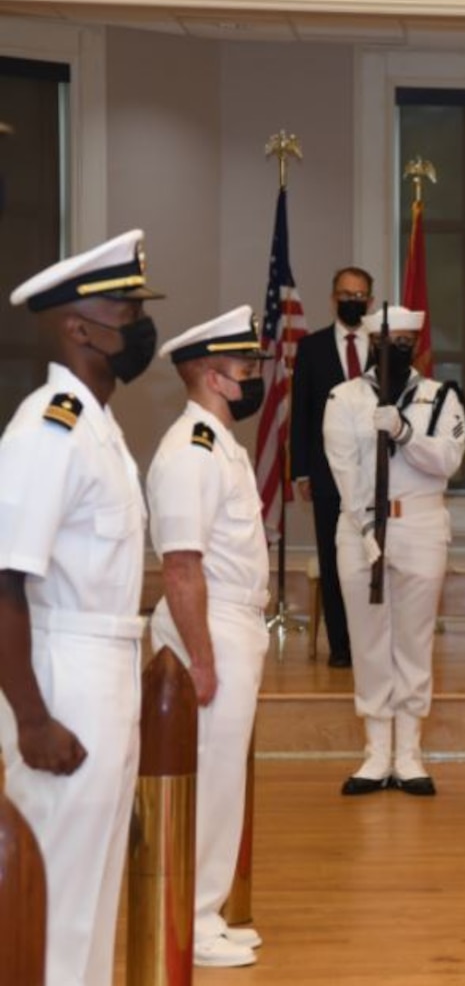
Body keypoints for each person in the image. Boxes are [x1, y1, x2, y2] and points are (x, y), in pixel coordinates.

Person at [0, 230, 163, 986]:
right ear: (79, 328)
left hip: (107, 664)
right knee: (58, 885)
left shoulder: (98, 426)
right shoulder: (48, 428)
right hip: (62, 671)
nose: (138, 324)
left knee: (94, 883)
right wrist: (31, 717)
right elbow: (4, 580)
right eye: (126, 310)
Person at [147, 306, 271, 968]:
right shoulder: (190, 451)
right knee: (212, 780)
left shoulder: (219, 444)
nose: (254, 378)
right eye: (245, 367)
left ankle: (209, 910)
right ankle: (191, 923)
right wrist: (200, 657)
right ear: (212, 376)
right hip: (211, 624)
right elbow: (181, 564)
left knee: (224, 781)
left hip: (233, 620)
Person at [323, 305, 465, 796]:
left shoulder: (440, 398)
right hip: (361, 526)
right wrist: (366, 526)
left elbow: (447, 461)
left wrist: (405, 433)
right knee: (367, 640)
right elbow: (345, 468)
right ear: (369, 343)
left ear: (417, 346)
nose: (395, 351)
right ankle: (375, 750)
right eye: (388, 343)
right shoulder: (343, 398)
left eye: (405, 343)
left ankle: (409, 750)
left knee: (413, 638)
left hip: (421, 526)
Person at [290, 267, 375, 668]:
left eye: (359, 295)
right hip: (326, 478)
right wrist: (301, 471)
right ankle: (341, 647)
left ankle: (371, 643)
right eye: (345, 293)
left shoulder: (382, 347)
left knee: (372, 561)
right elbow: (301, 413)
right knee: (334, 559)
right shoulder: (312, 348)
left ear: (370, 302)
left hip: (377, 477)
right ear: (332, 298)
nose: (352, 301)